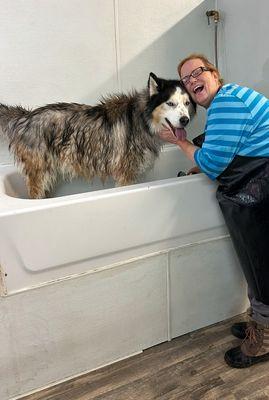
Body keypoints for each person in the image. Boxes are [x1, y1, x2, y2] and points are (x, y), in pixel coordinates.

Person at [160, 53, 269, 368]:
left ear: (215, 74)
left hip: (259, 191)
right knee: (258, 264)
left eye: (198, 72)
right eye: (186, 78)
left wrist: (180, 141)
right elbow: (230, 147)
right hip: (257, 188)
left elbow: (213, 162)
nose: (192, 80)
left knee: (261, 268)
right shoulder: (231, 99)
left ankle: (262, 341)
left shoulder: (227, 102)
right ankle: (261, 324)